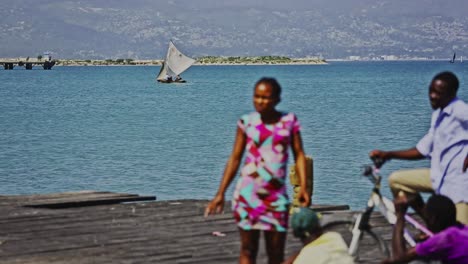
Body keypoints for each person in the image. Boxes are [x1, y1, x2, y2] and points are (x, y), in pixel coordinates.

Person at [204, 77, 310, 264]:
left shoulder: (288, 122)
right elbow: (235, 158)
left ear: (277, 99)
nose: (261, 101)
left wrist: (303, 187)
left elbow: (299, 154)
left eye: (266, 97)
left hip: (276, 197)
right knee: (248, 250)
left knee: (276, 254)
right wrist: (220, 193)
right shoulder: (246, 122)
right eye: (257, 96)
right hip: (247, 195)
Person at [370, 71, 468, 224]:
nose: (433, 96)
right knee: (396, 180)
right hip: (439, 176)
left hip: (459, 185)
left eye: (439, 93)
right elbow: (422, 150)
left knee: (462, 240)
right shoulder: (438, 115)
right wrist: (388, 155)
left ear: (451, 94)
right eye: (431, 91)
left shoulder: (460, 111)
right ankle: (431, 224)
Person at [383, 193, 468, 263]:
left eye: (427, 216)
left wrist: (400, 215)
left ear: (433, 219)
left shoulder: (444, 239)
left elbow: (399, 258)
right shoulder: (462, 229)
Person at [283, 207, 354, 264]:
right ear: (319, 226)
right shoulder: (334, 237)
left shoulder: (303, 259)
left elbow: (310, 251)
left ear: (295, 234)